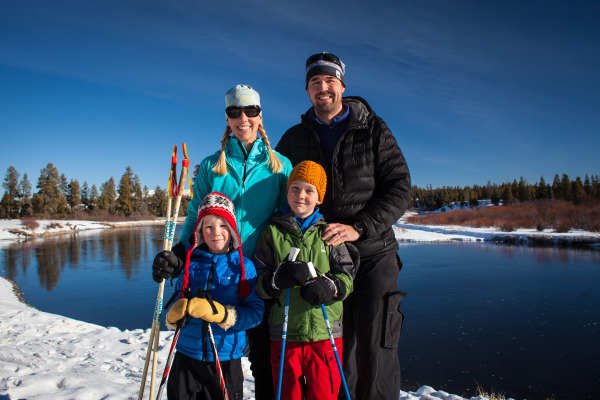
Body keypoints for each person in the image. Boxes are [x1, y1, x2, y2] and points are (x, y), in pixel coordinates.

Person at [275, 52, 411, 400]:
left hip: (373, 253)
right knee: (336, 350)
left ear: (342, 86)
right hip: (322, 261)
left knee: (376, 349)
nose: (323, 88)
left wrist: (360, 227)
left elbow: (399, 187)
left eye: (329, 81)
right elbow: (273, 188)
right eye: (315, 82)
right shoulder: (293, 139)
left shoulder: (374, 128)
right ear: (307, 91)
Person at [152, 84, 292, 399]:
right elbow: (193, 218)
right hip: (219, 271)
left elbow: (288, 217)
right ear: (227, 119)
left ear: (260, 115)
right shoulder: (214, 165)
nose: (243, 118)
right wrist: (179, 253)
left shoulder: (280, 166)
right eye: (234, 112)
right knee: (214, 352)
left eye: (250, 111)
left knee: (264, 361)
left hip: (260, 273)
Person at [253, 160, 357, 400]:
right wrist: (276, 280)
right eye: (295, 188)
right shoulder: (272, 232)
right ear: (287, 192)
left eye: (310, 190)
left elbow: (347, 275)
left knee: (324, 394)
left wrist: (331, 286)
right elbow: (258, 283)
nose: (301, 195)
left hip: (325, 334)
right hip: (286, 335)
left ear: (319, 197)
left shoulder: (329, 232)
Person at [155, 192, 264, 399]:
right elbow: (179, 299)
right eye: (209, 227)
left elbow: (255, 313)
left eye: (223, 225)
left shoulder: (243, 267)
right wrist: (174, 315)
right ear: (199, 231)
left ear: (232, 229)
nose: (216, 233)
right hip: (187, 355)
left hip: (225, 357)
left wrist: (224, 315)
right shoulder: (189, 263)